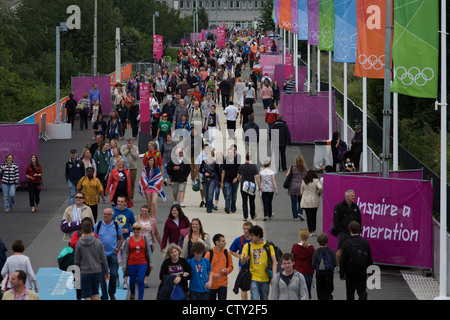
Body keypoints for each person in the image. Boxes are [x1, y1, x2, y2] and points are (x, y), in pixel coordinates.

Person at [74, 219, 109, 300]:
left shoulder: (79, 243)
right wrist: (106, 272)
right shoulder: (98, 242)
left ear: (82, 230)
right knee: (95, 292)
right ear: (92, 229)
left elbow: (77, 261)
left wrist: (76, 274)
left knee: (87, 295)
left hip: (84, 272)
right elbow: (103, 258)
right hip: (96, 271)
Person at [94, 208, 124, 301]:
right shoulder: (98, 225)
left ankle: (111, 293)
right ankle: (104, 296)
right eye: (104, 213)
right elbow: (94, 238)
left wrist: (117, 249)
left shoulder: (116, 225)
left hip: (113, 254)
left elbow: (121, 238)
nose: (105, 215)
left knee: (114, 274)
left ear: (112, 216)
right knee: (102, 276)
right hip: (101, 255)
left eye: (108, 214)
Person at [240, 225, 276, 300]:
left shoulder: (268, 246)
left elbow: (274, 261)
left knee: (264, 298)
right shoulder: (248, 246)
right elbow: (242, 262)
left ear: (258, 235)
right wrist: (243, 260)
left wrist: (274, 276)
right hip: (253, 277)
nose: (250, 237)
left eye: (252, 235)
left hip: (265, 278)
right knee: (254, 298)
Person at [339, 221, 373, 300]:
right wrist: (371, 270)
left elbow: (343, 259)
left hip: (350, 271)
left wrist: (342, 273)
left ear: (349, 230)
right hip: (362, 269)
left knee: (350, 291)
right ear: (359, 230)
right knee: (362, 290)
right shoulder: (364, 242)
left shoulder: (346, 243)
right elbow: (369, 257)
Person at [121, 222, 153, 300]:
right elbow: (125, 253)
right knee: (132, 281)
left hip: (142, 262)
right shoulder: (129, 239)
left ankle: (140, 298)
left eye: (137, 229)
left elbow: (149, 251)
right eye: (134, 229)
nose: (136, 231)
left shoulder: (144, 238)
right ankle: (132, 293)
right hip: (131, 263)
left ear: (140, 230)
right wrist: (124, 265)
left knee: (140, 280)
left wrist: (151, 263)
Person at [333, 189, 362, 266]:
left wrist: (359, 229)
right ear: (347, 197)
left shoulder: (355, 207)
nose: (354, 197)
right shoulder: (339, 207)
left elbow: (359, 219)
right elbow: (336, 220)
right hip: (343, 232)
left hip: (354, 232)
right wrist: (339, 229)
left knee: (354, 249)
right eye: (352, 196)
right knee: (341, 249)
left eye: (354, 196)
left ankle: (352, 264)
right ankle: (339, 265)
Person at [204, 234, 234, 300]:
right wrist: (213, 275)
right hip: (211, 284)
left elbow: (231, 266)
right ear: (217, 242)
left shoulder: (227, 253)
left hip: (223, 283)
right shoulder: (209, 254)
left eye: (224, 241)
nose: (225, 242)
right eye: (223, 241)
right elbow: (204, 268)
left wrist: (226, 271)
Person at [229, 221, 253, 300]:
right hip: (243, 267)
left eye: (248, 229)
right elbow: (231, 250)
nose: (246, 231)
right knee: (243, 287)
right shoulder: (239, 240)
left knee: (254, 288)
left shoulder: (256, 239)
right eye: (244, 229)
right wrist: (239, 256)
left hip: (254, 267)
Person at [311, 233, 337, 300]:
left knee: (320, 294)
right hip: (329, 275)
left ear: (318, 242)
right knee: (328, 293)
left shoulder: (317, 252)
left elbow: (313, 264)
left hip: (319, 275)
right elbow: (335, 263)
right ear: (327, 241)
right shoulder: (331, 251)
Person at [291, 229, 315, 300]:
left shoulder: (295, 246)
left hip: (297, 272)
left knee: (297, 293)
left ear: (299, 236)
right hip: (308, 272)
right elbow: (312, 260)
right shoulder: (311, 248)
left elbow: (292, 259)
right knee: (307, 292)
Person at [237, 152, 260, 221]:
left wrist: (241, 181)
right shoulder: (254, 167)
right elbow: (257, 177)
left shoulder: (241, 166)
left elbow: (238, 176)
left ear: (245, 158)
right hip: (251, 186)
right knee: (252, 201)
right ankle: (252, 214)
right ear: (251, 158)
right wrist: (259, 186)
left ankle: (245, 216)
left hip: (244, 186)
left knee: (244, 201)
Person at [300, 170, 323, 236]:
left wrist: (304, 195)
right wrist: (319, 193)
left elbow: (301, 191)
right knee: (314, 215)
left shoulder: (304, 181)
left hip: (306, 200)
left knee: (308, 216)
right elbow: (320, 187)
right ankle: (313, 230)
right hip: (314, 200)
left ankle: (310, 231)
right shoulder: (316, 181)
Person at [287, 155, 307, 221]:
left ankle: (295, 217)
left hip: (293, 186)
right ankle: (300, 212)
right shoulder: (304, 168)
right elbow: (305, 177)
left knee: (293, 202)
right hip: (301, 186)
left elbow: (287, 175)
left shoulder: (292, 167)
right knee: (301, 201)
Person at [199, 148, 219, 214]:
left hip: (212, 179)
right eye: (208, 154)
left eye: (211, 154)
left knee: (210, 194)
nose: (209, 155)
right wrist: (204, 173)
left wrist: (220, 181)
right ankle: (208, 204)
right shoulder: (203, 161)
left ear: (212, 155)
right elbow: (200, 170)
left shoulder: (214, 163)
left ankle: (209, 209)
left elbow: (217, 172)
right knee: (206, 194)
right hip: (205, 179)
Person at [221, 148, 241, 214]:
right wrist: (222, 181)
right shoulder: (225, 161)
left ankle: (233, 208)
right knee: (228, 194)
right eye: (228, 153)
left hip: (235, 181)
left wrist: (236, 178)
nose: (230, 154)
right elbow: (223, 171)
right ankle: (227, 207)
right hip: (227, 180)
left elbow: (239, 172)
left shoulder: (237, 161)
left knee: (234, 195)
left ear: (233, 153)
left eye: (231, 153)